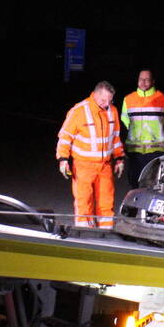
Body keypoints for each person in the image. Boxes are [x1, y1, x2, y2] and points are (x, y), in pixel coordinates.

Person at [56, 81, 125, 227]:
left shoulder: (112, 111)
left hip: (105, 165)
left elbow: (115, 138)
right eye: (103, 100)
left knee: (106, 201)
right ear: (95, 95)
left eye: (110, 100)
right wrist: (63, 159)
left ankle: (106, 230)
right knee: (83, 201)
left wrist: (119, 158)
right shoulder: (79, 111)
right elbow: (65, 136)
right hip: (83, 166)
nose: (107, 104)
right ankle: (84, 232)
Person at [120, 69, 164, 188]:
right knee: (134, 182)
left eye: (147, 79)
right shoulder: (128, 99)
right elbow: (125, 120)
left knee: (153, 183)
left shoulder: (163, 98)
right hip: (135, 150)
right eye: (141, 79)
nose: (143, 82)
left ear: (153, 81)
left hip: (156, 150)